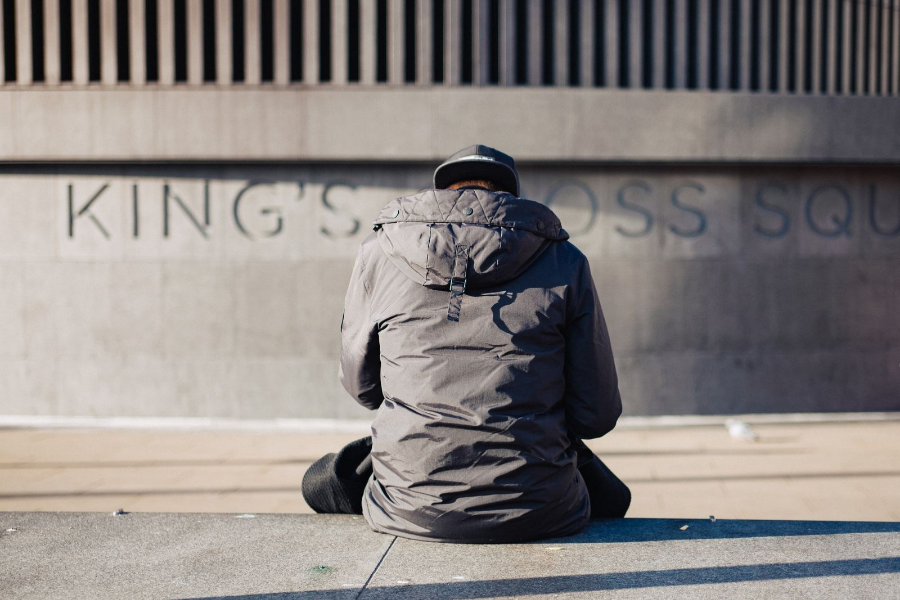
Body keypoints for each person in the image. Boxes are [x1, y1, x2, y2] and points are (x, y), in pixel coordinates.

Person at [302, 144, 630, 543]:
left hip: (407, 507)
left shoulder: (378, 255)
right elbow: (595, 415)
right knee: (612, 494)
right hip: (542, 510)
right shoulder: (566, 260)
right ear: (509, 197)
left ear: (444, 194)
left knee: (320, 480)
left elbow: (364, 389)